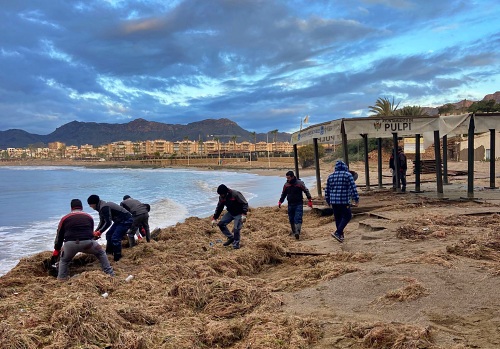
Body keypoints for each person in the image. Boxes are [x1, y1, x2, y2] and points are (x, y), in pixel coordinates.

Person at [52, 199, 115, 280]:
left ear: (71, 208)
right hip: (87, 243)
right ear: (81, 207)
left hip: (70, 245)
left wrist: (56, 249)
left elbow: (59, 235)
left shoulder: (65, 218)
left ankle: (61, 278)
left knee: (64, 261)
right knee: (101, 253)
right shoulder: (89, 217)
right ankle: (109, 273)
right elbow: (91, 233)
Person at [87, 194, 133, 262]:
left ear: (94, 203)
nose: (90, 206)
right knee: (109, 234)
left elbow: (108, 222)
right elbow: (102, 222)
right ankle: (108, 254)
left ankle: (117, 258)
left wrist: (100, 232)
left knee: (115, 238)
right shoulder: (100, 207)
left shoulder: (104, 207)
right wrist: (96, 231)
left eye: (90, 204)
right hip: (119, 221)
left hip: (126, 220)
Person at [324, 160, 359, 243]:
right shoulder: (348, 175)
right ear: (345, 167)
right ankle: (338, 232)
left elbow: (327, 190)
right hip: (344, 201)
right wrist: (356, 199)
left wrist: (328, 200)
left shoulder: (331, 176)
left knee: (338, 218)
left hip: (334, 201)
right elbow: (353, 188)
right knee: (347, 216)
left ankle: (340, 235)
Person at [278, 170, 313, 240]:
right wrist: (280, 201)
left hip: (298, 203)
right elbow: (284, 194)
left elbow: (306, 190)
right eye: (287, 178)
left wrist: (309, 200)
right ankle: (294, 231)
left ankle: (297, 232)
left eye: (289, 178)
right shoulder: (286, 185)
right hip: (290, 204)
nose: (287, 180)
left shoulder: (299, 183)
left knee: (298, 218)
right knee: (291, 219)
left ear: (292, 177)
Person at [212, 184, 248, 249]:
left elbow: (245, 203)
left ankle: (236, 245)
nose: (221, 196)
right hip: (231, 213)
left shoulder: (235, 194)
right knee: (221, 224)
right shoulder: (221, 197)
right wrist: (214, 218)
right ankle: (231, 237)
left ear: (226, 192)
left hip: (239, 213)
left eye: (222, 194)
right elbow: (219, 207)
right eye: (220, 194)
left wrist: (244, 214)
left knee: (236, 229)